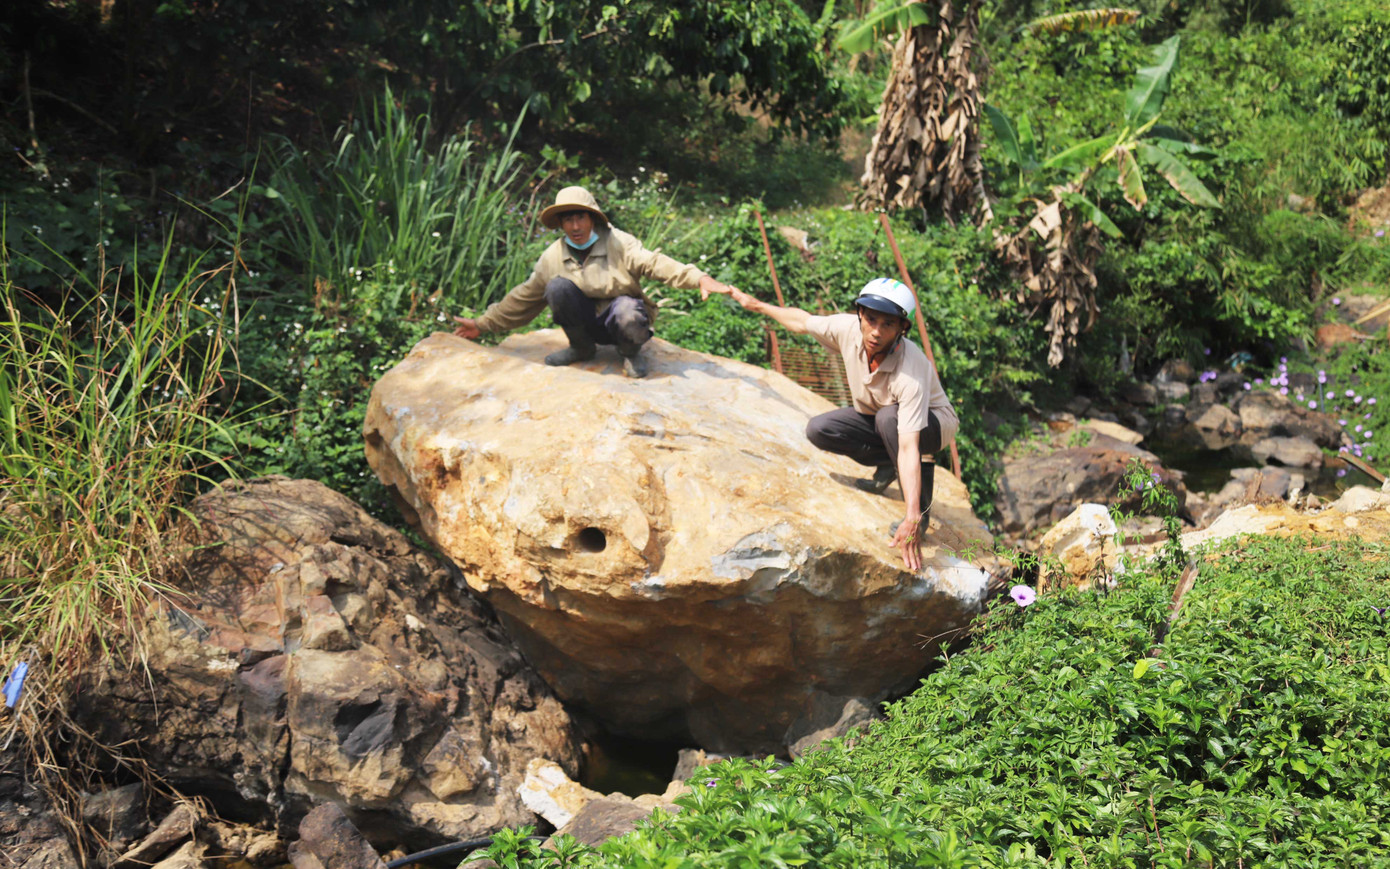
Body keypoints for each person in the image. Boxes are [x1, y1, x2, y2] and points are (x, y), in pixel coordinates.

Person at [705, 278, 958, 570]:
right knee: (820, 429)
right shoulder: (848, 329)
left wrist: (912, 515)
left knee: (891, 420)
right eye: (871, 319)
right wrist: (757, 305)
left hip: (933, 423)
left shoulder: (909, 371)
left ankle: (921, 516)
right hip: (881, 414)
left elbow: (910, 446)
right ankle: (889, 465)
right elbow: (802, 321)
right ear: (860, 314)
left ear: (903, 328)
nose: (875, 331)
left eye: (888, 324)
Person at [452, 186, 734, 378]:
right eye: (568, 220)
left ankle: (630, 353)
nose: (575, 227)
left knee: (627, 311)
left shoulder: (618, 242)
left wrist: (699, 278)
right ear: (561, 225)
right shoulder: (553, 257)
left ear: (591, 218)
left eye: (580, 218)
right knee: (557, 288)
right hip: (586, 323)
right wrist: (482, 324)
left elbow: (654, 262)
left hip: (622, 320)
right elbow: (524, 296)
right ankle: (581, 348)